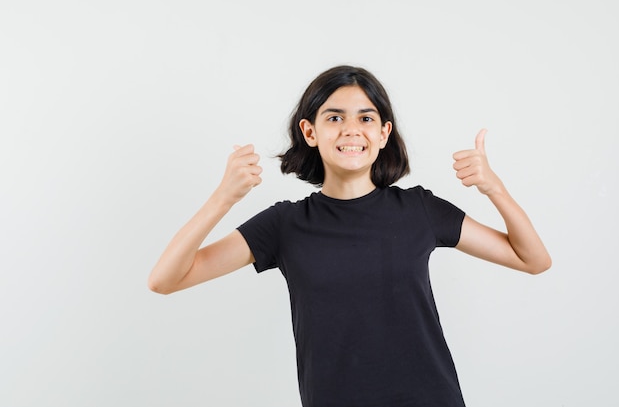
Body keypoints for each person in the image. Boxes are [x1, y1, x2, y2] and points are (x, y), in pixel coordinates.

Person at [148, 65, 551, 407]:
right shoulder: (284, 225)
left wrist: (494, 188)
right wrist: (223, 198)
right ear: (310, 131)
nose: (351, 130)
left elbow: (533, 259)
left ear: (383, 133)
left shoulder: (419, 211)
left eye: (366, 118)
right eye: (335, 117)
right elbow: (166, 279)